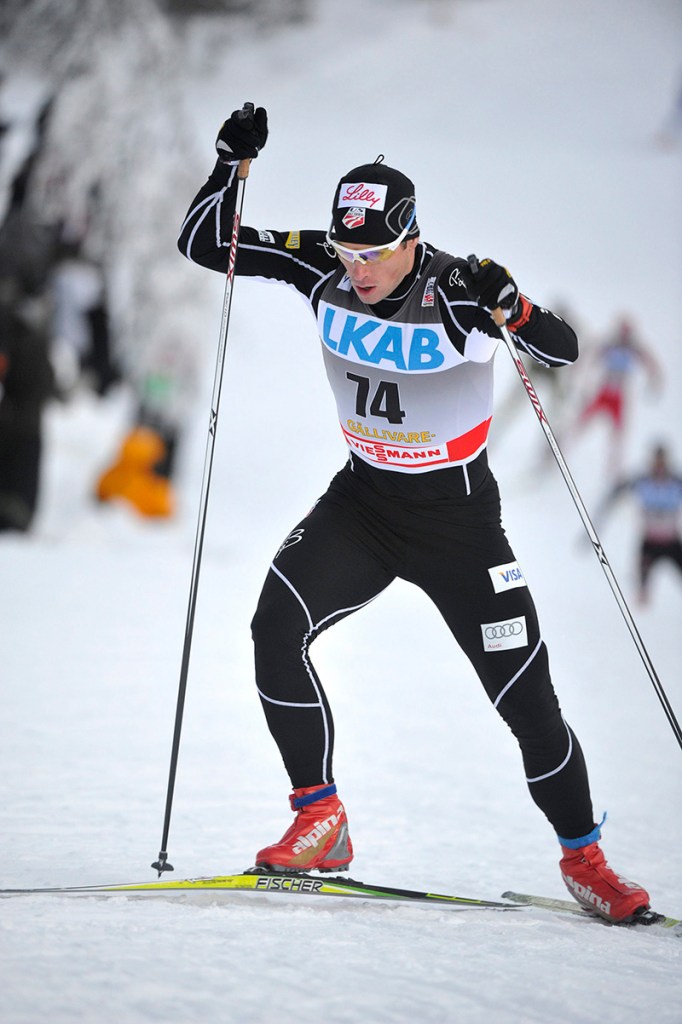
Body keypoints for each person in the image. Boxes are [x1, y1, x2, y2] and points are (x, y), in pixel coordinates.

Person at [177, 104, 652, 924]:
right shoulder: (322, 269)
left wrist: (520, 309)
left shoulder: (461, 287)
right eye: (345, 251)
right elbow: (202, 244)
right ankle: (320, 817)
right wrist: (229, 166)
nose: (356, 270)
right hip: (363, 503)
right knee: (271, 628)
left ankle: (586, 858)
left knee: (529, 704)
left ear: (410, 238)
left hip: (459, 523)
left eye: (372, 254)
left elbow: (564, 349)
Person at [564, 314, 662, 480]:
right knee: (580, 422)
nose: (624, 339)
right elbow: (591, 352)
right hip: (603, 392)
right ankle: (558, 452)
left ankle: (614, 471)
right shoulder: (610, 344)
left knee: (618, 434)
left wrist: (654, 381)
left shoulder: (633, 348)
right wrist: (580, 373)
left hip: (618, 397)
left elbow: (650, 362)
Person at [595, 443, 682, 604]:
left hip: (672, 543)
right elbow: (616, 491)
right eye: (657, 461)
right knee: (641, 591)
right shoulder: (643, 480)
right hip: (649, 543)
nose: (659, 466)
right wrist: (600, 519)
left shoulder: (676, 482)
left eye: (662, 461)